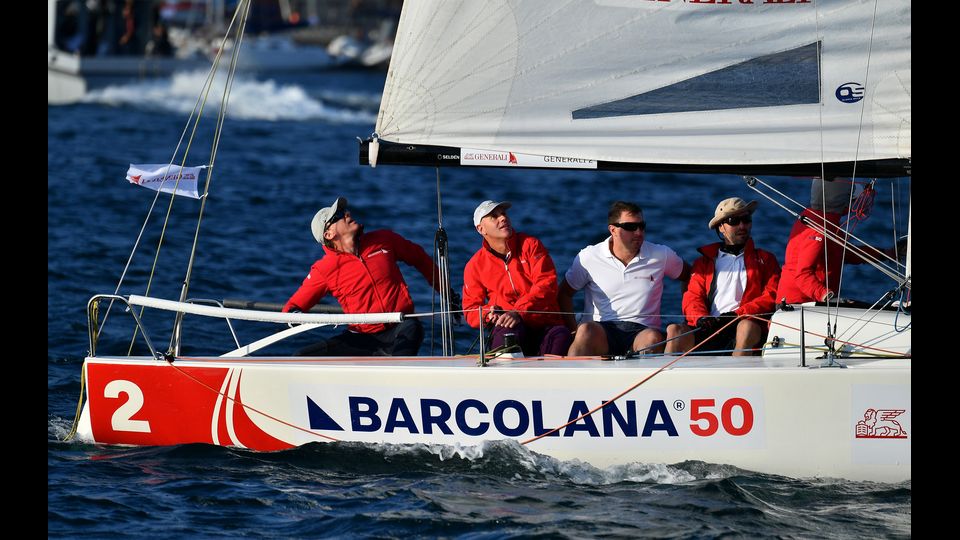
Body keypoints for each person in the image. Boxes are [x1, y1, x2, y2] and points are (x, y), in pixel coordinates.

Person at [282, 197, 445, 356]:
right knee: (301, 356)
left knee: (413, 327)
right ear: (329, 234)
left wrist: (445, 292)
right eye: (339, 215)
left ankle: (397, 377)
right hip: (360, 338)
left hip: (400, 328)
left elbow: (420, 258)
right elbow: (292, 307)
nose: (347, 214)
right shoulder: (324, 269)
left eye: (344, 211)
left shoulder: (384, 240)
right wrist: (296, 317)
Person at [558, 201, 691, 356]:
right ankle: (573, 377)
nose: (638, 232)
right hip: (601, 329)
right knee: (585, 330)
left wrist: (688, 316)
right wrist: (573, 331)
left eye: (642, 226)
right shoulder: (589, 257)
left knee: (653, 338)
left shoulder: (661, 255)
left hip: (642, 331)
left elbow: (692, 276)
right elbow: (564, 294)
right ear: (612, 230)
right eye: (630, 227)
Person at [462, 200, 572, 356]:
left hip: (545, 323)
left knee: (560, 336)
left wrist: (518, 311)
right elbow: (471, 309)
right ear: (481, 229)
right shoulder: (475, 265)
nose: (503, 218)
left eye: (504, 213)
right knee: (507, 333)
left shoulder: (531, 245)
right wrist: (488, 313)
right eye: (494, 216)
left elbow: (546, 285)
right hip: (509, 326)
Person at [674, 197, 782, 356]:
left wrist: (737, 315)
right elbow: (692, 297)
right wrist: (701, 319)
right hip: (710, 326)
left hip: (744, 325)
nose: (742, 226)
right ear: (721, 228)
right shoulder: (704, 262)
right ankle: (663, 378)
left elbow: (772, 295)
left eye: (746, 220)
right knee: (674, 330)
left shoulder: (766, 260)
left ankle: (737, 378)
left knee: (746, 327)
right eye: (734, 221)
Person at [776, 178, 896, 304]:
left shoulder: (821, 219)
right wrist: (827, 296)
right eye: (852, 199)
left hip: (812, 301)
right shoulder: (819, 228)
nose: (854, 204)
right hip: (797, 304)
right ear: (841, 200)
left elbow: (845, 253)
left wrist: (885, 253)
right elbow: (802, 275)